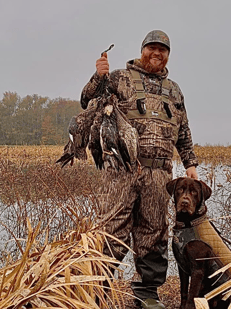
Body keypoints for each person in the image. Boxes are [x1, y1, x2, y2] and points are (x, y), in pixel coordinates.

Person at [80, 30, 198, 309]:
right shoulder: (119, 77)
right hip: (121, 170)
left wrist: (190, 163)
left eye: (163, 50)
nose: (157, 54)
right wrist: (98, 75)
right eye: (152, 48)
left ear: (168, 55)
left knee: (154, 233)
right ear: (142, 49)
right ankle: (94, 290)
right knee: (111, 230)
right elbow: (87, 101)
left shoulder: (175, 90)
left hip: (159, 174)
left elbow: (183, 131)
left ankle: (146, 293)